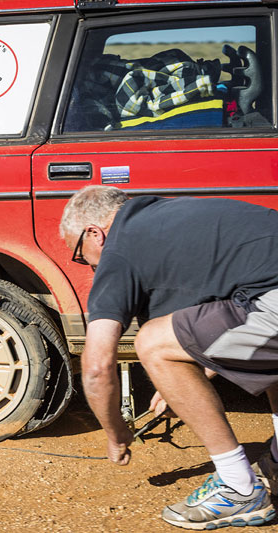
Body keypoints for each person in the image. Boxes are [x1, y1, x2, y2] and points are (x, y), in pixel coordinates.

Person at [60, 185, 278, 529]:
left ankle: (240, 489)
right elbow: (218, 334)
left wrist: (116, 433)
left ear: (94, 233)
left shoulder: (119, 250)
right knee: (268, 363)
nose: (86, 264)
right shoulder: (168, 218)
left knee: (151, 343)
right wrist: (181, 383)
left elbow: (97, 368)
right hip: (270, 292)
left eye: (79, 253)